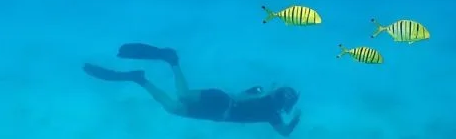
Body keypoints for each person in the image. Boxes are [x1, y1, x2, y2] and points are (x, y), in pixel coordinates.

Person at [83, 42, 302, 136]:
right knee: (182, 97)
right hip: (220, 102)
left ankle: (139, 78)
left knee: (173, 107)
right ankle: (171, 61)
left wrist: (295, 120)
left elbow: (284, 133)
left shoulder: (272, 114)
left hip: (216, 110)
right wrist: (267, 95)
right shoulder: (264, 99)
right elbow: (239, 97)